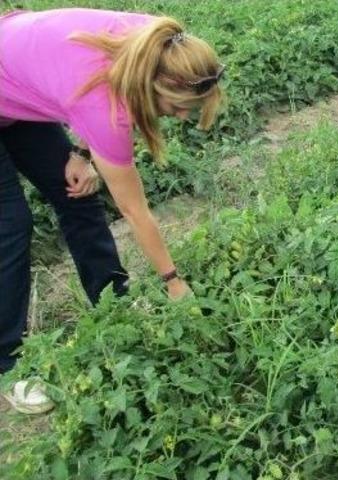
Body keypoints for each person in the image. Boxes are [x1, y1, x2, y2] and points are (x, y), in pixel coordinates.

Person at [0, 8, 224, 413]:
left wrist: (82, 153)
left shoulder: (156, 41)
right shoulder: (106, 108)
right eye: (177, 107)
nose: (183, 116)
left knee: (77, 193)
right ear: (151, 85)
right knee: (10, 224)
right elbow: (135, 210)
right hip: (9, 74)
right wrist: (173, 281)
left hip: (17, 84)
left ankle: (112, 303)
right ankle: (9, 364)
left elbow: (72, 80)